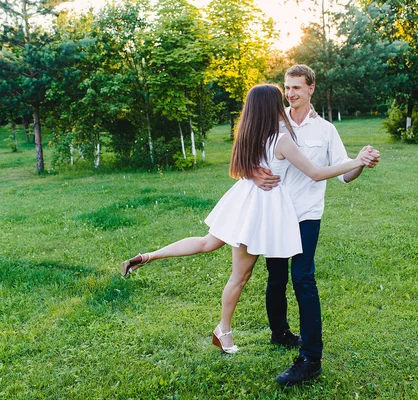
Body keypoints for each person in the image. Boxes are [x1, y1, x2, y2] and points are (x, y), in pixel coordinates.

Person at [120, 83, 376, 355]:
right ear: (273, 106)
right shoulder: (281, 139)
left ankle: (147, 256)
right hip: (261, 210)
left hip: (243, 200)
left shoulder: (249, 133)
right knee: (240, 276)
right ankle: (223, 330)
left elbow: (240, 167)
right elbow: (314, 172)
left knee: (207, 243)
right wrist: (356, 160)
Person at [252, 65, 380, 386]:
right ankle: (280, 333)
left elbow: (346, 174)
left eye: (297, 87)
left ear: (311, 89)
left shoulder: (326, 131)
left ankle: (311, 358)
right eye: (287, 87)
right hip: (275, 213)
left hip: (307, 215)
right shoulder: (272, 121)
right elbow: (255, 160)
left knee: (303, 278)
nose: (291, 93)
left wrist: (360, 163)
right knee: (276, 277)